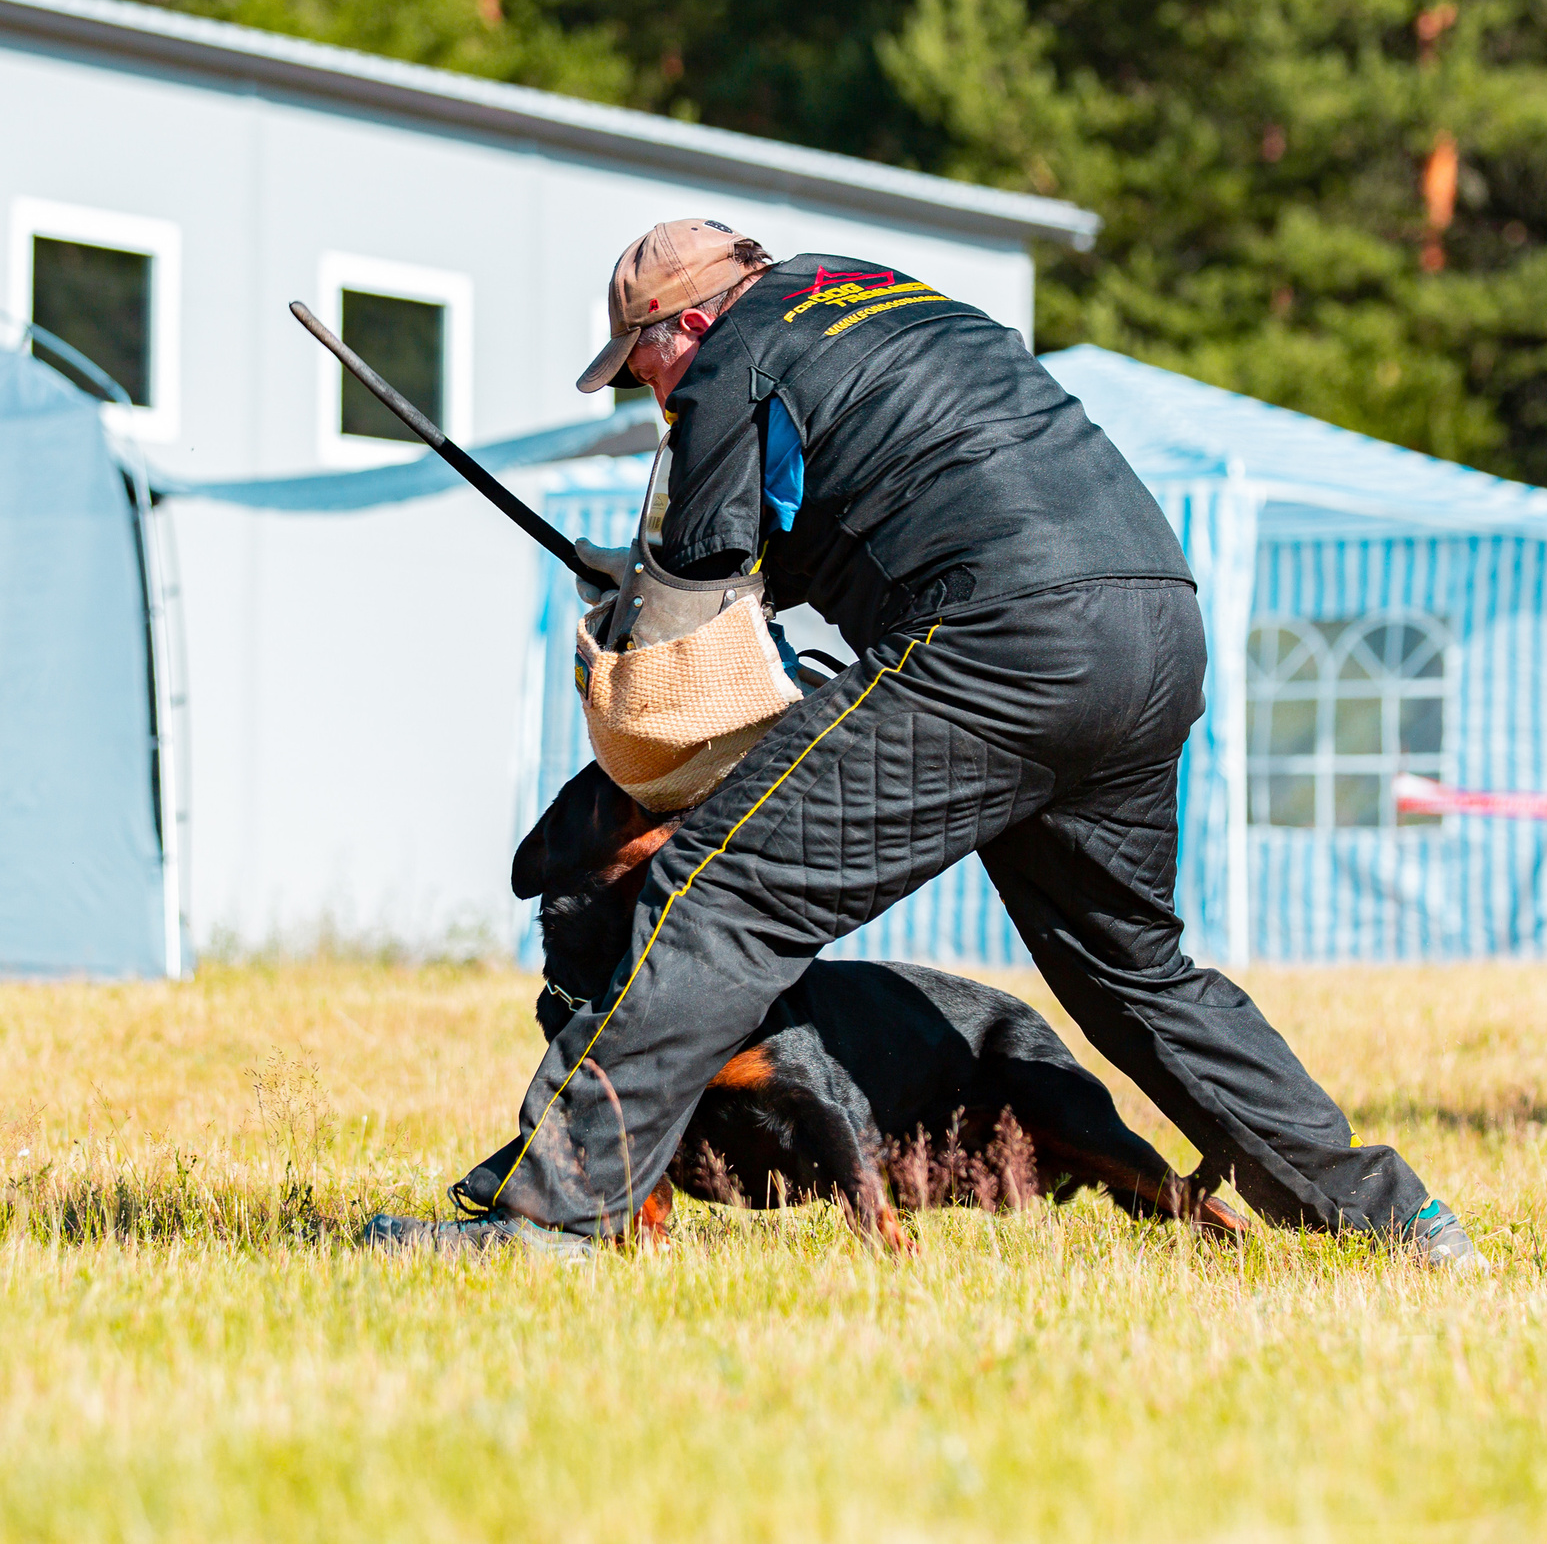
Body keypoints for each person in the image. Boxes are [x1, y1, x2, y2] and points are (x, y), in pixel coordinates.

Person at [364, 219, 1483, 1267]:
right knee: (1132, 967)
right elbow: (852, 509)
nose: (649, 393)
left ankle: (557, 1219)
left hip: (998, 641)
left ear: (686, 325)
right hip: (1151, 624)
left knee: (720, 892)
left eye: (641, 367)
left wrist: (628, 593)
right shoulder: (887, 300)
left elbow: (705, 578)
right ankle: (1393, 1218)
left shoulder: (729, 365)